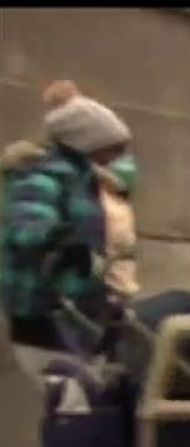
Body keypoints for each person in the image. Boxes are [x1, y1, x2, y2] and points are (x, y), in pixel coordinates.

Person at [2, 80, 135, 356]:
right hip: (37, 303)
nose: (116, 158)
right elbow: (26, 230)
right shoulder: (42, 176)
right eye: (112, 148)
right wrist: (61, 240)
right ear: (88, 142)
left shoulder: (83, 178)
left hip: (72, 299)